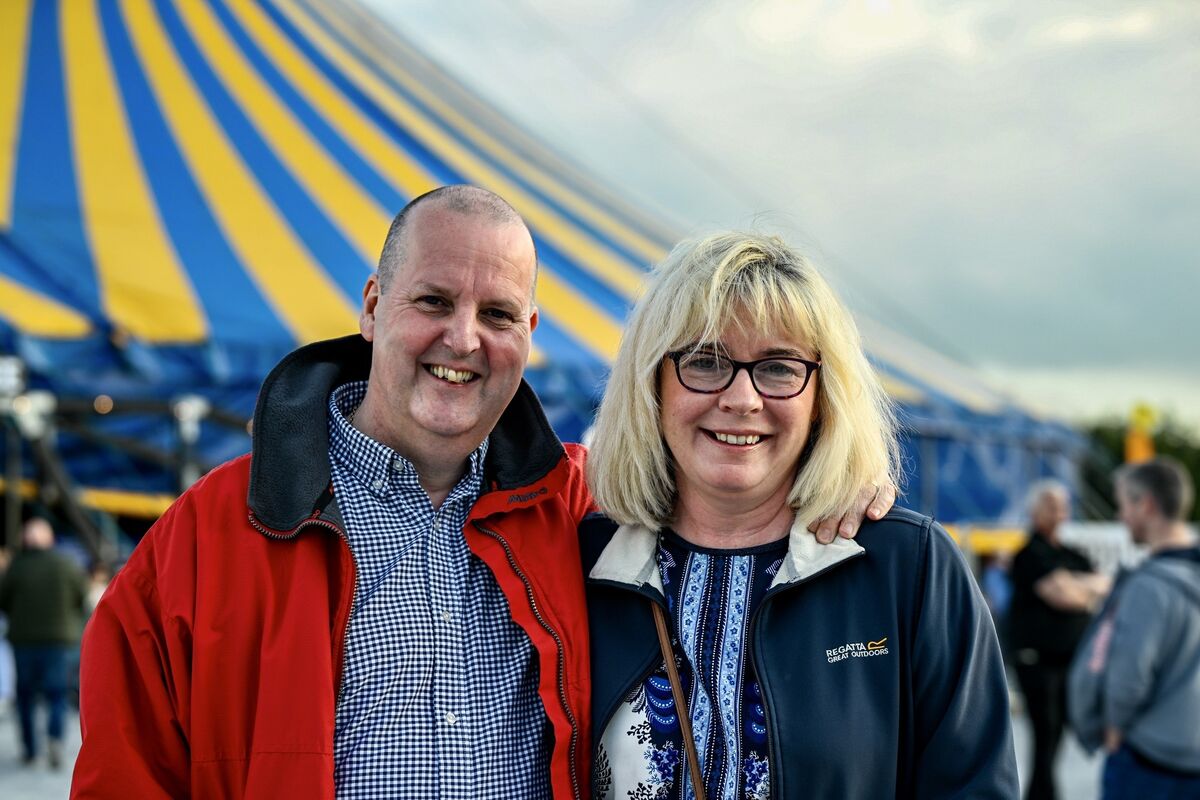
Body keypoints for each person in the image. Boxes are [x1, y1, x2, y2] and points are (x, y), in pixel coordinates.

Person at [72, 186, 890, 799]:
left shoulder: (581, 509)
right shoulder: (210, 536)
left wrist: (841, 476)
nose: (463, 339)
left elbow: (732, 469)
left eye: (498, 313)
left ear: (529, 335)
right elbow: (122, 773)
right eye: (433, 301)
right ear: (371, 305)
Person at [580, 232, 1016, 798]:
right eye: (705, 361)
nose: (741, 399)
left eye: (779, 368)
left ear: (822, 396)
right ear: (651, 384)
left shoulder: (907, 569)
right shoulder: (581, 563)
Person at [1070, 458, 1200, 798]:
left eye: (1124, 504)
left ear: (1146, 505)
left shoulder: (1148, 586)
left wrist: (1114, 727)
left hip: (1150, 762)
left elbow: (1129, 675)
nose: (1120, 515)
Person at [1009, 480, 1111, 800]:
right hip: (1036, 660)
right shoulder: (1028, 554)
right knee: (1045, 733)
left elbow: (1106, 584)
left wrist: (1075, 585)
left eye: (1063, 505)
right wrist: (1085, 590)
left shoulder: (1072, 554)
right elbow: (1061, 595)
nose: (1060, 512)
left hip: (1070, 661)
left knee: (1059, 736)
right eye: (1052, 505)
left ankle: (1043, 793)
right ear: (1035, 511)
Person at [0, 516, 89, 769]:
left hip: (24, 641)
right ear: (49, 539)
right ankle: (55, 738)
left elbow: (2, 600)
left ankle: (30, 750)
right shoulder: (65, 564)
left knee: (25, 696)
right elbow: (81, 597)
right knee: (57, 693)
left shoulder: (17, 567)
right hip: (58, 641)